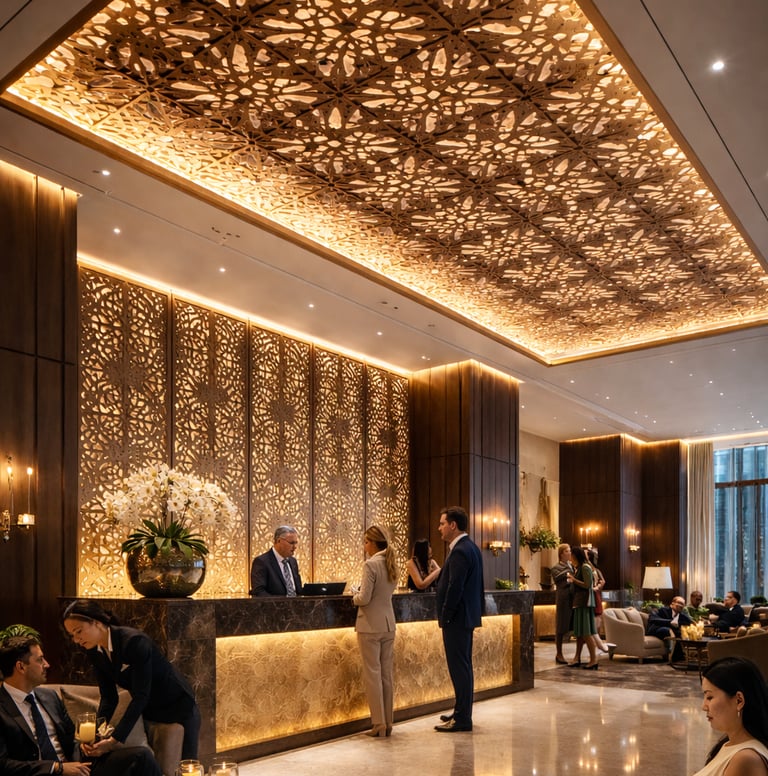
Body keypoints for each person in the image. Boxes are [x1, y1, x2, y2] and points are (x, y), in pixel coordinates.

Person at [0, 634, 161, 775]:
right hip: (45, 772)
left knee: (141, 756)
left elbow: (72, 738)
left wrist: (85, 745)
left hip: (76, 767)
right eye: (40, 659)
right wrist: (56, 768)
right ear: (21, 667)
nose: (47, 665)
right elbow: (3, 764)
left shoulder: (48, 697)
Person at [61, 600, 201, 760]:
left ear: (97, 623)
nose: (76, 640)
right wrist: (95, 733)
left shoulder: (134, 642)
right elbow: (108, 697)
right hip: (149, 710)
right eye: (72, 635)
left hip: (177, 705)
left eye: (78, 631)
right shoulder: (94, 650)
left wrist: (114, 741)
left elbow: (141, 694)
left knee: (188, 766)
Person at [434, 506, 484, 733]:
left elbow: (455, 588)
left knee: (459, 668)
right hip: (464, 617)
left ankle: (463, 718)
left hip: (457, 619)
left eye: (443, 523)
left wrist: (445, 616)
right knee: (463, 667)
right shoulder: (470, 547)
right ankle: (461, 710)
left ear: (453, 525)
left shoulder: (461, 551)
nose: (440, 528)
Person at [352, 525, 398, 738]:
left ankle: (378, 725)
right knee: (386, 675)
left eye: (365, 542)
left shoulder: (370, 565)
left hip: (370, 626)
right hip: (388, 625)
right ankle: (388, 723)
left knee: (373, 675)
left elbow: (364, 599)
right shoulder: (391, 563)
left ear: (372, 543)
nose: (364, 546)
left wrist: (353, 595)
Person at [693, 656, 768, 775]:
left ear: (739, 701)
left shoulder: (745, 759)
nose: (704, 706)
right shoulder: (729, 744)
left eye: (710, 697)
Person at [567, 545, 599, 670]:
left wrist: (573, 580)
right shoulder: (579, 567)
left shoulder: (585, 567)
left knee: (586, 633)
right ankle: (577, 658)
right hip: (579, 602)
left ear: (576, 556)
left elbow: (588, 585)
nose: (570, 559)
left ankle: (594, 659)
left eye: (572, 556)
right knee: (580, 633)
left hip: (584, 603)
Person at [250, 525, 303, 596]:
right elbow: (259, 591)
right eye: (291, 543)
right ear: (279, 541)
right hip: (273, 606)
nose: (295, 547)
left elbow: (298, 590)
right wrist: (279, 605)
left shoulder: (293, 561)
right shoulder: (262, 562)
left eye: (296, 543)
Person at [550, 543, 574, 664]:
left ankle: (577, 655)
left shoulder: (572, 566)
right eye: (567, 551)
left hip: (573, 598)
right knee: (561, 626)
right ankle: (559, 653)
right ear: (561, 554)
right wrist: (570, 575)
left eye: (570, 551)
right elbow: (561, 577)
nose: (569, 553)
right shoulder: (556, 568)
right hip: (563, 598)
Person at [587, 547, 610, 654]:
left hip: (593, 596)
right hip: (592, 595)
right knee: (592, 622)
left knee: (594, 621)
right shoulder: (590, 568)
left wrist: (596, 588)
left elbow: (603, 581)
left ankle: (598, 644)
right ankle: (597, 644)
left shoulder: (593, 569)